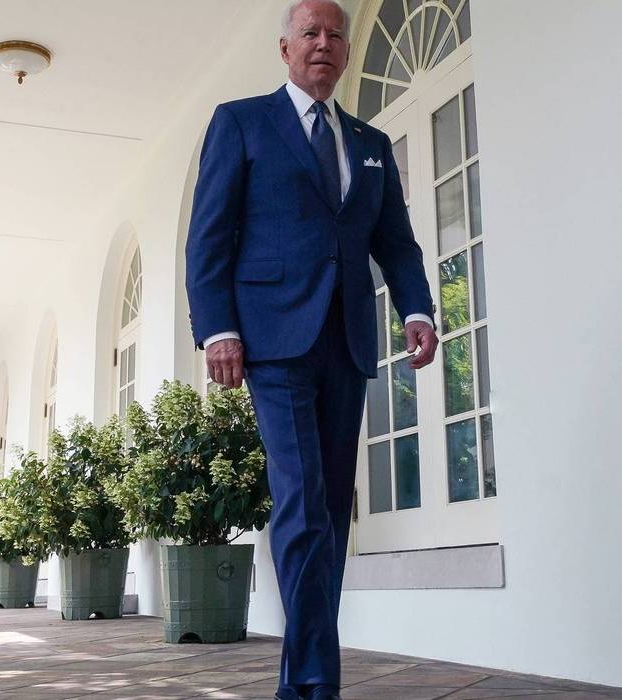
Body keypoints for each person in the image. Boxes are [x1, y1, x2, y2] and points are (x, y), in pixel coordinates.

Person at [184, 1, 438, 698]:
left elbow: (395, 243)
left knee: (328, 511)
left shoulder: (369, 142)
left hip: (347, 341)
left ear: (346, 51)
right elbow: (210, 233)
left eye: (334, 35)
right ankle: (317, 682)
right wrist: (218, 327)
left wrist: (415, 307)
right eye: (309, 33)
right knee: (299, 502)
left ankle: (299, 678)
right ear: (284, 47)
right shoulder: (241, 121)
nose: (322, 44)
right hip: (272, 340)